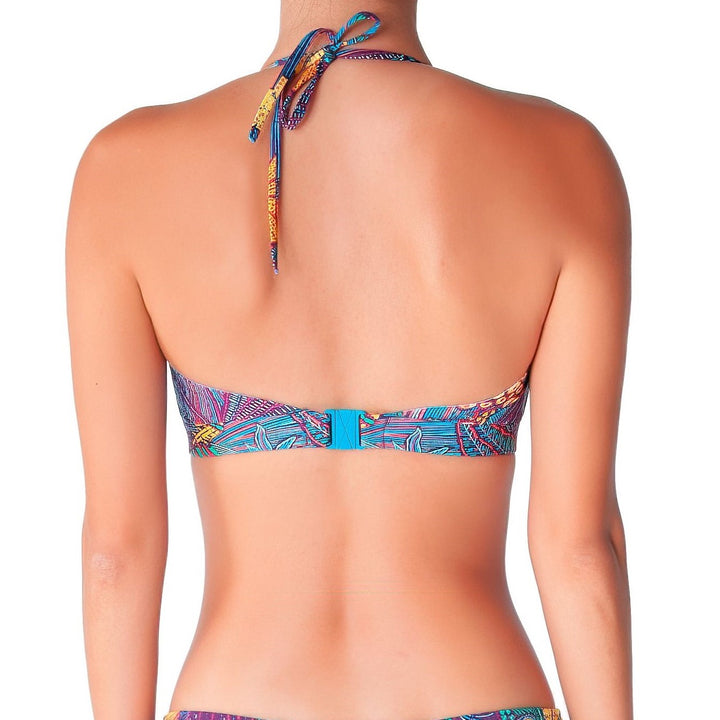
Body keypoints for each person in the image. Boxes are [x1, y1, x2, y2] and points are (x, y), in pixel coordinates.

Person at [66, 1, 633, 719]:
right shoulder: (564, 158)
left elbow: (117, 553)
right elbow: (580, 548)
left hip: (239, 690)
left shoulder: (125, 170)